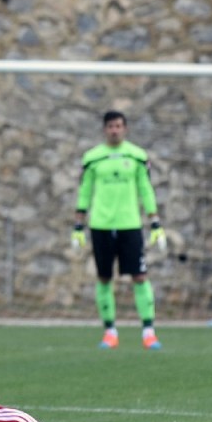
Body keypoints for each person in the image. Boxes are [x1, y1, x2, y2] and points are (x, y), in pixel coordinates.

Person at [71, 110, 166, 350]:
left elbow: (146, 189)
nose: (115, 130)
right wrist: (78, 226)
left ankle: (148, 331)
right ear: (105, 129)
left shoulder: (137, 156)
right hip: (100, 225)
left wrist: (155, 222)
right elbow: (85, 191)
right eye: (111, 126)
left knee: (140, 276)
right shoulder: (92, 158)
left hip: (130, 224)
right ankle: (110, 332)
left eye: (119, 126)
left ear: (125, 129)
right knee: (104, 277)